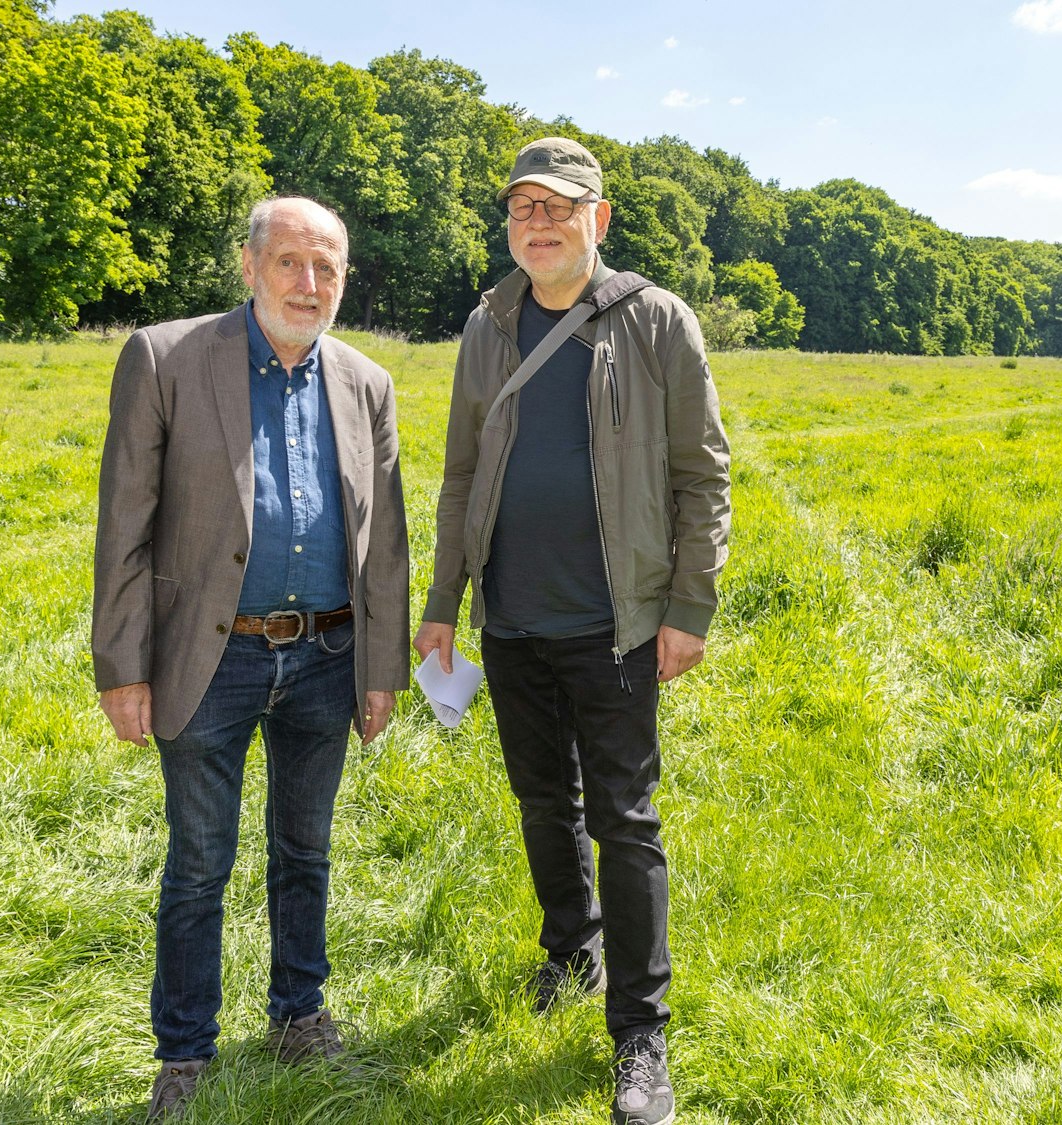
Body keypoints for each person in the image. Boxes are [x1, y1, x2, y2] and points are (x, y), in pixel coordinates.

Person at [413, 137, 731, 1125]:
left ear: (598, 219)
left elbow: (701, 475)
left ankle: (641, 1035)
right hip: (511, 619)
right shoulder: (487, 325)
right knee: (541, 801)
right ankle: (569, 952)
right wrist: (442, 601)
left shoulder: (655, 322)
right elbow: (463, 468)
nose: (537, 225)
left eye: (557, 209)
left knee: (624, 822)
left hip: (617, 626)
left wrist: (687, 609)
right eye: (521, 210)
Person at [91, 196, 411, 1120]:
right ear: (250, 265)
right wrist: (123, 664)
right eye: (291, 265)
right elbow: (126, 528)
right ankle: (184, 1051)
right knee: (200, 861)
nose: (310, 286)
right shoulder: (167, 358)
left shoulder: (367, 382)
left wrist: (380, 665)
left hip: (327, 654)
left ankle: (298, 1014)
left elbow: (383, 540)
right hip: (209, 656)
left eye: (329, 270)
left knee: (304, 849)